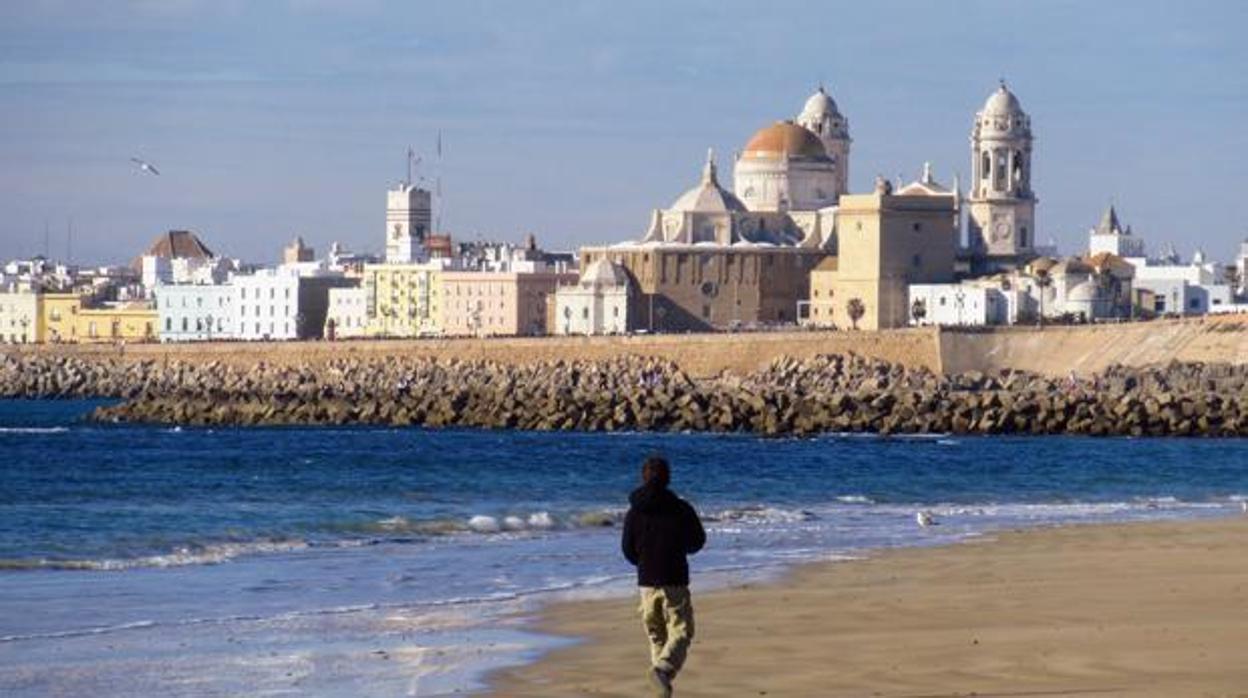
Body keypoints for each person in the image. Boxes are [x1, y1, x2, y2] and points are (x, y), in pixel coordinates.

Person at [621, 455, 706, 697]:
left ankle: (662, 687)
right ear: (668, 479)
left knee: (657, 636)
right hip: (674, 578)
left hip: (646, 581)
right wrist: (680, 548)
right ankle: (663, 671)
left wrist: (644, 561)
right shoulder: (680, 508)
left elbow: (627, 549)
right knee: (681, 631)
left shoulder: (634, 512)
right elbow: (697, 541)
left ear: (643, 477)